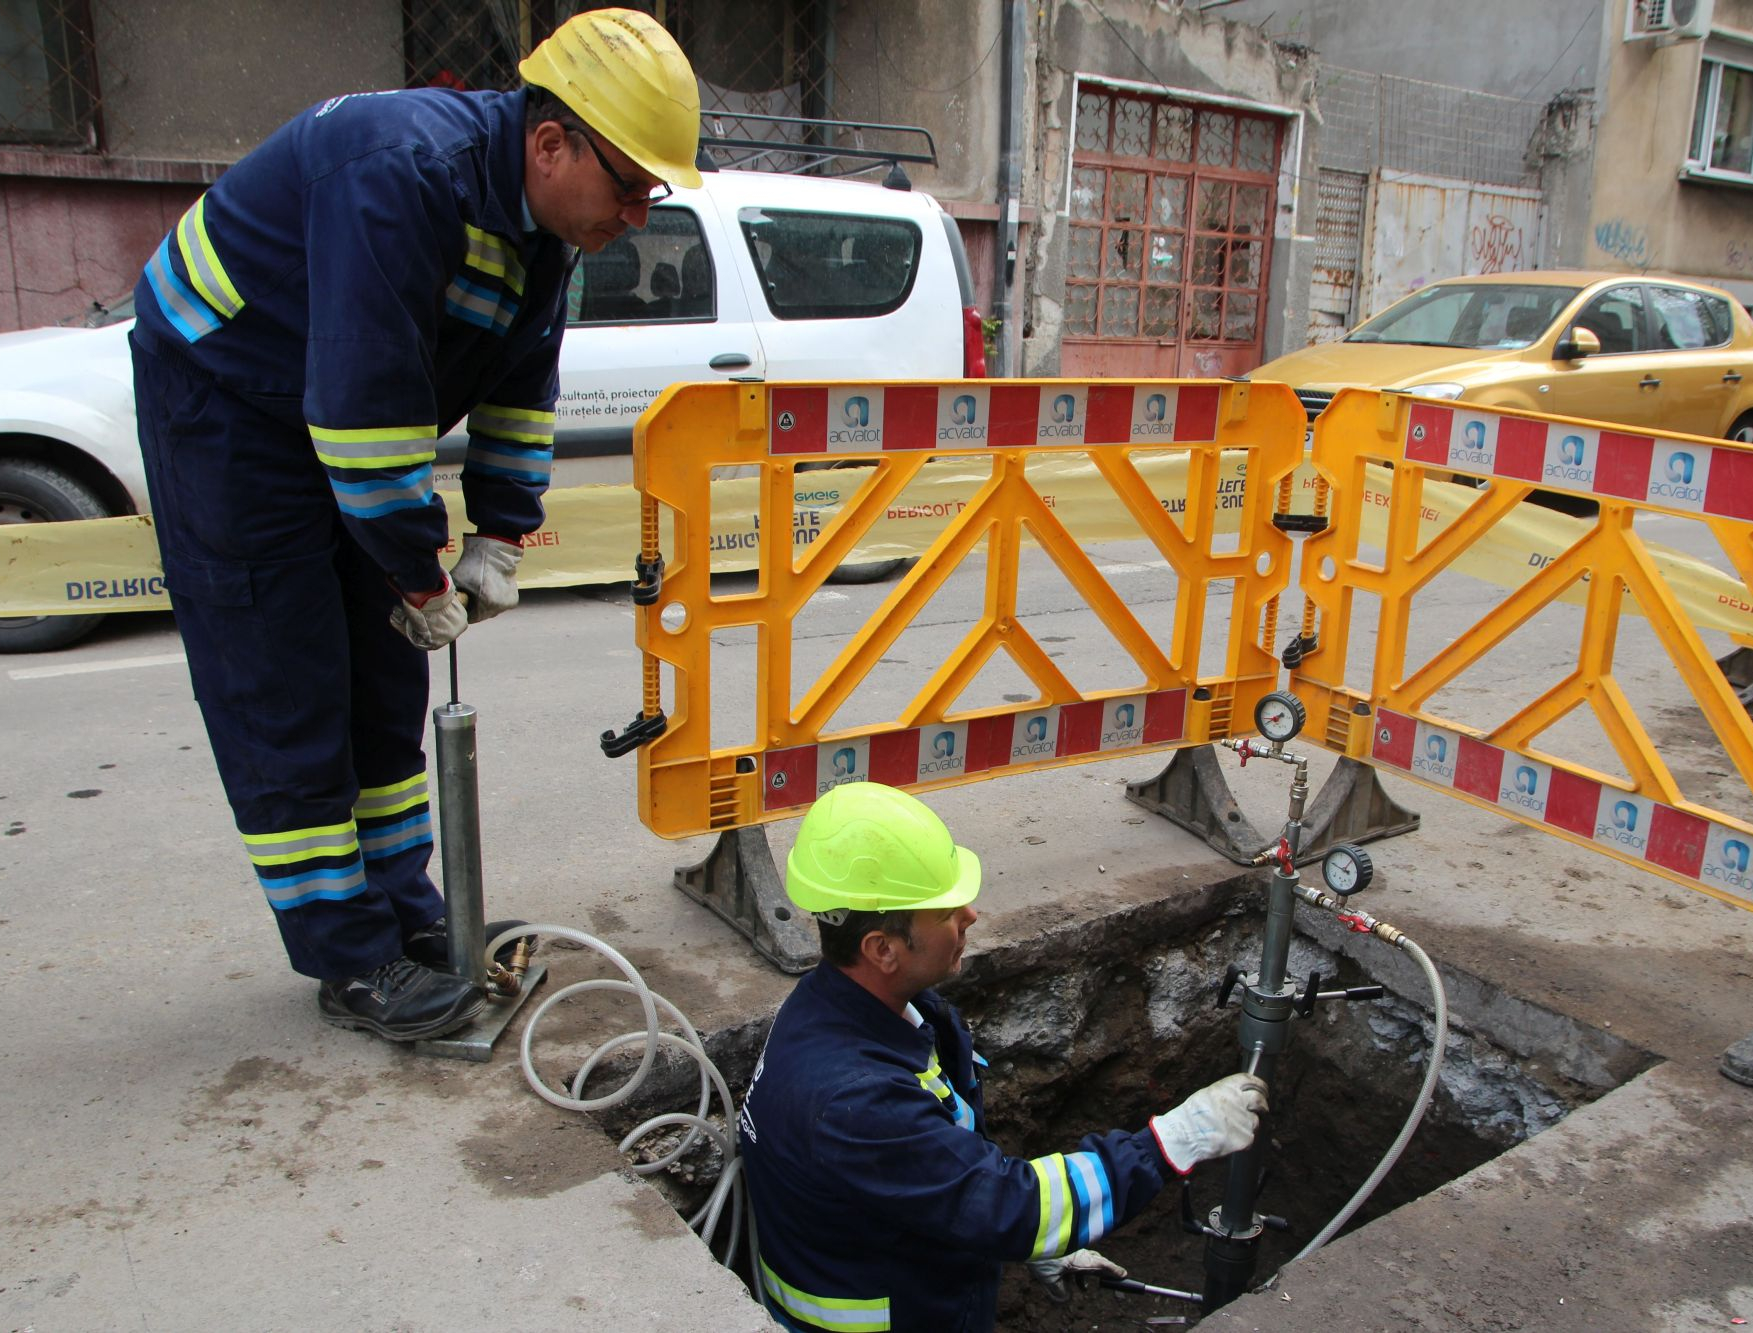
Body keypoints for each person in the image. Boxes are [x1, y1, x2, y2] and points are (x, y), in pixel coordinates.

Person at [126, 10, 702, 1042]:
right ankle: (350, 960)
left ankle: (408, 915)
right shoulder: (397, 176)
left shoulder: (547, 230)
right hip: (225, 397)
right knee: (287, 675)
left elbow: (523, 391)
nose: (636, 213)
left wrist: (496, 535)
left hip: (320, 404)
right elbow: (363, 424)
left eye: (652, 194)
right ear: (550, 143)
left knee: (385, 675)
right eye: (629, 185)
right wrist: (422, 576)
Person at [738, 782, 1269, 1331]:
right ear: (882, 949)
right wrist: (1172, 1141)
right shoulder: (855, 1099)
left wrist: (1023, 1245)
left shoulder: (846, 1010)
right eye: (946, 910)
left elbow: (936, 1181)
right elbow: (1010, 1206)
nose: (970, 915)